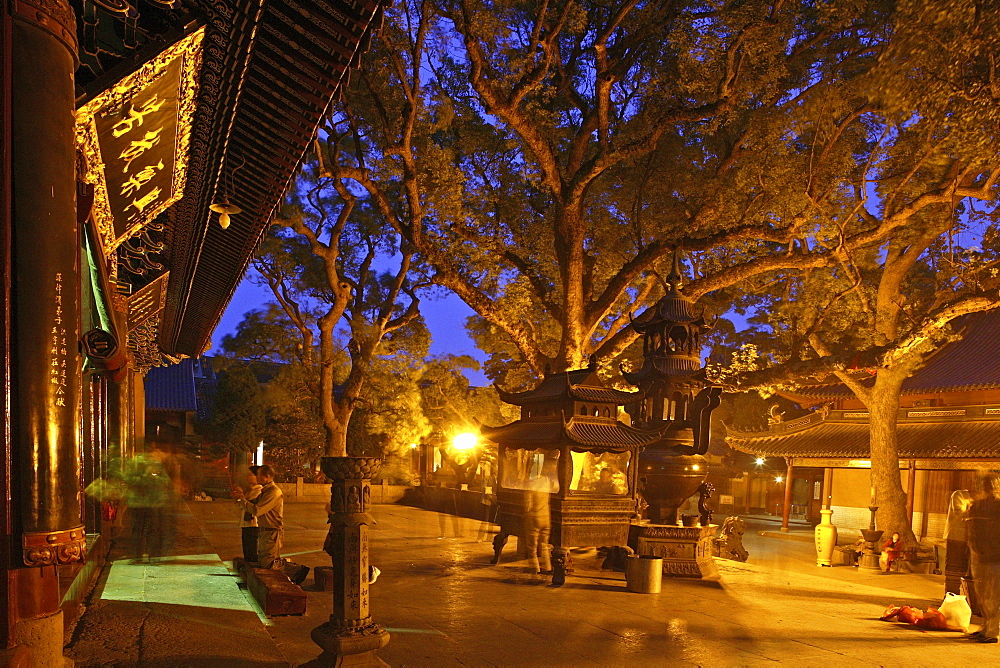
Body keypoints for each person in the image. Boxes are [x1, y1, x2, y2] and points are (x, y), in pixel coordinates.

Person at [234, 465, 309, 585]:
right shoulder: (266, 491)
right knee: (265, 561)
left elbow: (257, 510)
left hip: (272, 530)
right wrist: (240, 498)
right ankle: (293, 571)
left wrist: (242, 499)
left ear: (267, 476)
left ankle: (298, 570)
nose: (256, 477)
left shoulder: (274, 492)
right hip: (265, 530)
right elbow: (251, 505)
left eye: (259, 475)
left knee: (268, 563)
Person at [967, 472, 1000, 643]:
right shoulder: (977, 505)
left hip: (995, 557)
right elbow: (972, 529)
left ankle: (992, 632)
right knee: (982, 595)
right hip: (979, 555)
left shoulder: (997, 506)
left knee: (993, 595)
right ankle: (986, 626)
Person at [236, 465, 263, 563]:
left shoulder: (259, 490)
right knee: (247, 551)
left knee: (252, 551)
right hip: (246, 523)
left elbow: (251, 506)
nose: (247, 477)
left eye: (250, 475)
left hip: (253, 524)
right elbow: (242, 506)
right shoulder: (250, 490)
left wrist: (241, 496)